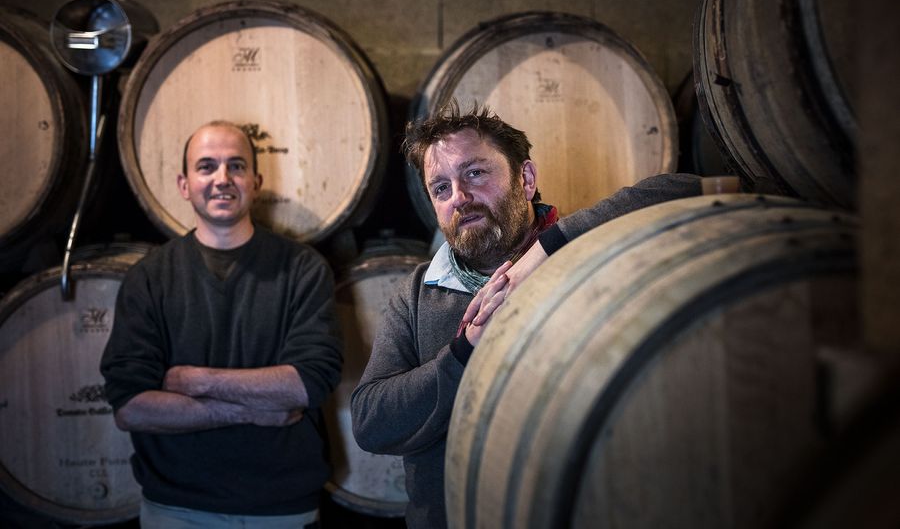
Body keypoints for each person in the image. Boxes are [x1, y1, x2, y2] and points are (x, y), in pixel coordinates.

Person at [350, 103, 703, 528]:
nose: (459, 197)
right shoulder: (417, 293)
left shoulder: (585, 255)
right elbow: (372, 422)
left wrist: (548, 248)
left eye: (476, 173)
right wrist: (465, 352)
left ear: (526, 179)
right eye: (441, 188)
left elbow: (688, 188)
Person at [100, 120, 342, 528]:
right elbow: (131, 407)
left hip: (282, 507)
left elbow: (307, 382)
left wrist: (196, 381)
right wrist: (248, 410)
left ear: (256, 180)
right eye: (206, 166)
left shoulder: (303, 269)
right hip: (175, 507)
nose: (222, 179)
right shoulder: (150, 277)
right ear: (184, 184)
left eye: (236, 166)